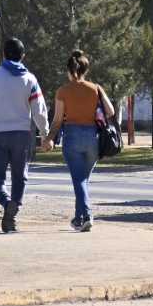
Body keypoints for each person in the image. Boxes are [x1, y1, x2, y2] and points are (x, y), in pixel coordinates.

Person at [0, 37, 49, 233]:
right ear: (23, 56)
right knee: (20, 176)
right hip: (22, 135)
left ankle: (6, 202)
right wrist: (45, 133)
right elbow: (39, 109)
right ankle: (13, 213)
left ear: (3, 54)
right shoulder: (30, 79)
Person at [44, 50, 114, 232]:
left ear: (69, 70)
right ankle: (78, 218)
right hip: (93, 138)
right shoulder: (95, 88)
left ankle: (88, 215)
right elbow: (111, 111)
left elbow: (58, 119)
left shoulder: (63, 91)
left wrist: (49, 138)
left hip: (72, 137)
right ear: (86, 69)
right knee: (82, 180)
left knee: (79, 180)